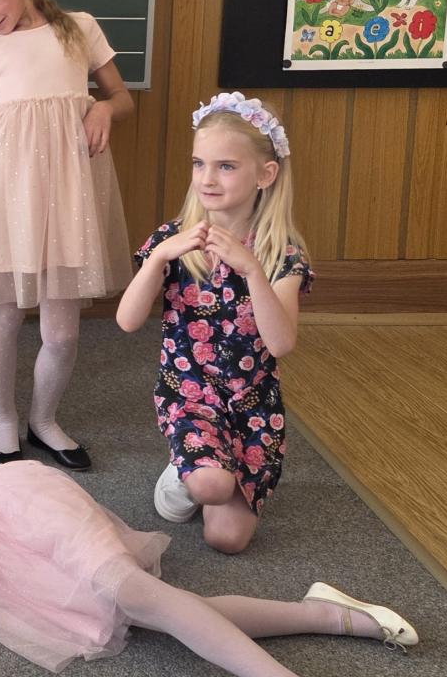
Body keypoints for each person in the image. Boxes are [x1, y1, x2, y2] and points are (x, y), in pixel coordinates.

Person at [0, 346, 418, 675]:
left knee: (138, 596)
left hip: (28, 518)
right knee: (152, 612)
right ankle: (330, 615)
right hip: (4, 565)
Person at [0, 0, 133, 469]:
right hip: (7, 190)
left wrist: (103, 108)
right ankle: (4, 419)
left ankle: (44, 419)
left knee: (62, 330)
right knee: (5, 311)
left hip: (70, 191)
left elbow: (123, 98)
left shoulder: (79, 29)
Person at [117, 93, 312, 554]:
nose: (207, 178)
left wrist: (252, 270)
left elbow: (281, 343)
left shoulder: (282, 252)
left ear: (265, 174)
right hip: (189, 394)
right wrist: (158, 259)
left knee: (227, 540)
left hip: (253, 406)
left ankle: (208, 467)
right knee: (211, 486)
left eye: (226, 166)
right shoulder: (173, 238)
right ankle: (188, 471)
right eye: (199, 163)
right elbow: (127, 321)